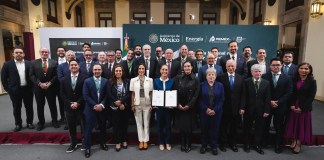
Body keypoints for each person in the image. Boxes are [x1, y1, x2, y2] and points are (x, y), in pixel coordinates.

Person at [285, 62, 317, 154]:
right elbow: (290, 93)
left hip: (304, 108)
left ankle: (298, 144)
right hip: (293, 106)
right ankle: (294, 140)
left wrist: (302, 108)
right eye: (302, 68)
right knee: (293, 124)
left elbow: (311, 97)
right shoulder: (293, 79)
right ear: (298, 69)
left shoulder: (312, 82)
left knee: (301, 125)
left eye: (306, 69)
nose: (304, 70)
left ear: (310, 70)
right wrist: (291, 104)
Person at [262, 58, 292, 153]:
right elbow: (262, 91)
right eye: (274, 65)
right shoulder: (264, 76)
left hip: (281, 105)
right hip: (267, 105)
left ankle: (278, 144)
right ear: (270, 66)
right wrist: (270, 101)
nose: (276, 67)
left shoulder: (287, 78)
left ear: (281, 65)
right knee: (265, 125)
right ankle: (264, 142)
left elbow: (289, 93)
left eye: (278, 65)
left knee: (278, 126)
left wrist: (278, 102)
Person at [1, 48, 34, 132]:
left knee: (29, 107)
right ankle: (18, 124)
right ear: (13, 54)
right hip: (15, 90)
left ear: (24, 54)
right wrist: (8, 90)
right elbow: (3, 78)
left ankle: (29, 122)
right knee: (16, 108)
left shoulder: (29, 63)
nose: (18, 54)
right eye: (16, 52)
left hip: (27, 89)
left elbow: (33, 76)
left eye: (20, 52)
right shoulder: (7, 64)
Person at [242, 64, 270, 155]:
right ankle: (246, 144)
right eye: (256, 71)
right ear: (252, 72)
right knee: (247, 128)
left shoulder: (266, 83)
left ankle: (257, 145)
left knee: (259, 128)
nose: (258, 73)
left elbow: (267, 98)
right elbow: (244, 96)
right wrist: (242, 108)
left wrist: (266, 110)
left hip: (261, 110)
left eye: (259, 71)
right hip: (248, 109)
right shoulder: (246, 81)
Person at [218, 59, 245, 153]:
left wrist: (242, 107)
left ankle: (233, 144)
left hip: (237, 109)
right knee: (223, 127)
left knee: (234, 128)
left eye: (232, 66)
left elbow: (243, 94)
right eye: (229, 66)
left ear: (236, 67)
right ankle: (223, 144)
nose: (230, 68)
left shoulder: (241, 78)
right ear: (226, 67)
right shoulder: (220, 77)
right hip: (224, 107)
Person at [60, 60, 87, 153]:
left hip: (81, 106)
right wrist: (70, 103)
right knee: (71, 127)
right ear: (69, 67)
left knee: (83, 126)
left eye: (75, 65)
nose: (73, 66)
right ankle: (73, 143)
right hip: (69, 107)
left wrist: (78, 103)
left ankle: (84, 142)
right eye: (71, 65)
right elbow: (62, 94)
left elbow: (85, 93)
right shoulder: (64, 79)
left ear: (78, 66)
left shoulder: (85, 78)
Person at [30, 47, 59, 131]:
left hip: (51, 88)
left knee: (52, 105)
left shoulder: (54, 62)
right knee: (40, 106)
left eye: (46, 52)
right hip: (39, 88)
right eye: (42, 52)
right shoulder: (34, 62)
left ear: (48, 53)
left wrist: (49, 83)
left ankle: (54, 121)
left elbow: (56, 75)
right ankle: (41, 123)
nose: (44, 53)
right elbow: (31, 75)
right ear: (40, 53)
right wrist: (40, 83)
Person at [82, 64, 109, 158]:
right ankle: (87, 147)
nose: (97, 71)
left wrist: (101, 105)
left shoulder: (106, 81)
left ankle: (103, 143)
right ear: (92, 71)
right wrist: (95, 105)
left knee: (102, 127)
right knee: (88, 129)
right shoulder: (87, 81)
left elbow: (107, 95)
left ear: (101, 71)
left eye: (99, 69)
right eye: (95, 69)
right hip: (90, 109)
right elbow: (85, 95)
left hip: (102, 108)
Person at [173, 61, 200, 152]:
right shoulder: (178, 78)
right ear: (183, 68)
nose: (187, 68)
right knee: (182, 128)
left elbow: (196, 95)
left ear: (192, 67)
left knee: (189, 129)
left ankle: (188, 143)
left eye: (189, 66)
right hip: (180, 107)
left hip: (190, 108)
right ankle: (183, 143)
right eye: (185, 66)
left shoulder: (196, 79)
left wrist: (189, 105)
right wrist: (178, 104)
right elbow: (175, 92)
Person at [199, 67, 224, 156]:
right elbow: (200, 100)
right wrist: (206, 109)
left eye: (213, 74)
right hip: (204, 112)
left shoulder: (220, 85)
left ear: (215, 76)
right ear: (206, 76)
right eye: (209, 75)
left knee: (215, 130)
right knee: (204, 129)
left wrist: (215, 110)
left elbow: (222, 99)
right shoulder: (201, 85)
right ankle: (204, 145)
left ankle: (214, 146)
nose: (211, 76)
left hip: (216, 113)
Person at [130, 64, 153, 150]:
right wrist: (132, 104)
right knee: (139, 123)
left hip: (146, 103)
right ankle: (141, 141)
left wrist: (151, 104)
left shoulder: (150, 80)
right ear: (137, 70)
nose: (141, 70)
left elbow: (151, 93)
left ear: (145, 70)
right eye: (139, 68)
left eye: (143, 68)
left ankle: (146, 141)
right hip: (137, 103)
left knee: (146, 123)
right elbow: (132, 94)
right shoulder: (133, 80)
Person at [108, 64, 130, 152]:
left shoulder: (127, 81)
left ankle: (124, 140)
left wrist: (122, 102)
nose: (118, 72)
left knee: (124, 124)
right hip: (114, 107)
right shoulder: (110, 82)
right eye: (116, 71)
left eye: (120, 71)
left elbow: (129, 93)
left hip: (125, 106)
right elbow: (109, 94)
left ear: (122, 72)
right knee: (116, 125)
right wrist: (117, 102)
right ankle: (117, 142)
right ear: (114, 72)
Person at [153, 64, 174, 151]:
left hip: (169, 108)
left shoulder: (172, 81)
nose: (165, 71)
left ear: (168, 71)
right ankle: (161, 142)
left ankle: (168, 142)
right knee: (159, 126)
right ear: (160, 71)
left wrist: (172, 103)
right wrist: (154, 103)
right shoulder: (156, 81)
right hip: (159, 108)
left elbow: (173, 93)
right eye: (163, 69)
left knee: (168, 126)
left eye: (166, 70)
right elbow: (154, 92)